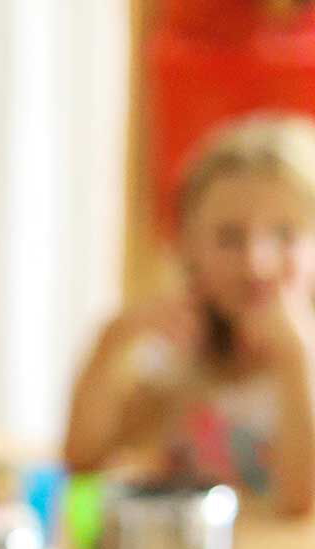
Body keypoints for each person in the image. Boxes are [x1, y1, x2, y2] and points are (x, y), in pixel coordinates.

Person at [66, 111, 315, 516]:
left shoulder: (305, 360)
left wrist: (297, 359)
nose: (257, 262)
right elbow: (84, 459)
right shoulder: (180, 357)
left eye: (285, 234)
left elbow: (300, 507)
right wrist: (113, 339)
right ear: (190, 247)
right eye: (229, 237)